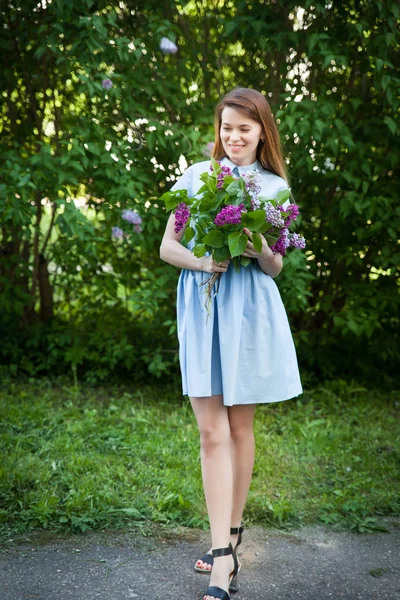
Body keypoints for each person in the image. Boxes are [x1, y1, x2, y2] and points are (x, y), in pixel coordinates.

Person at [160, 87, 302, 600]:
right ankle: (222, 558)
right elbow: (167, 246)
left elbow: (277, 266)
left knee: (240, 428)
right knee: (210, 431)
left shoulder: (275, 188)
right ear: (218, 131)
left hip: (249, 312)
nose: (234, 136)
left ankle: (232, 537)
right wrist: (204, 261)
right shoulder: (198, 177)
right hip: (204, 305)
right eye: (227, 127)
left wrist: (263, 245)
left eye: (244, 127)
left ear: (262, 131)